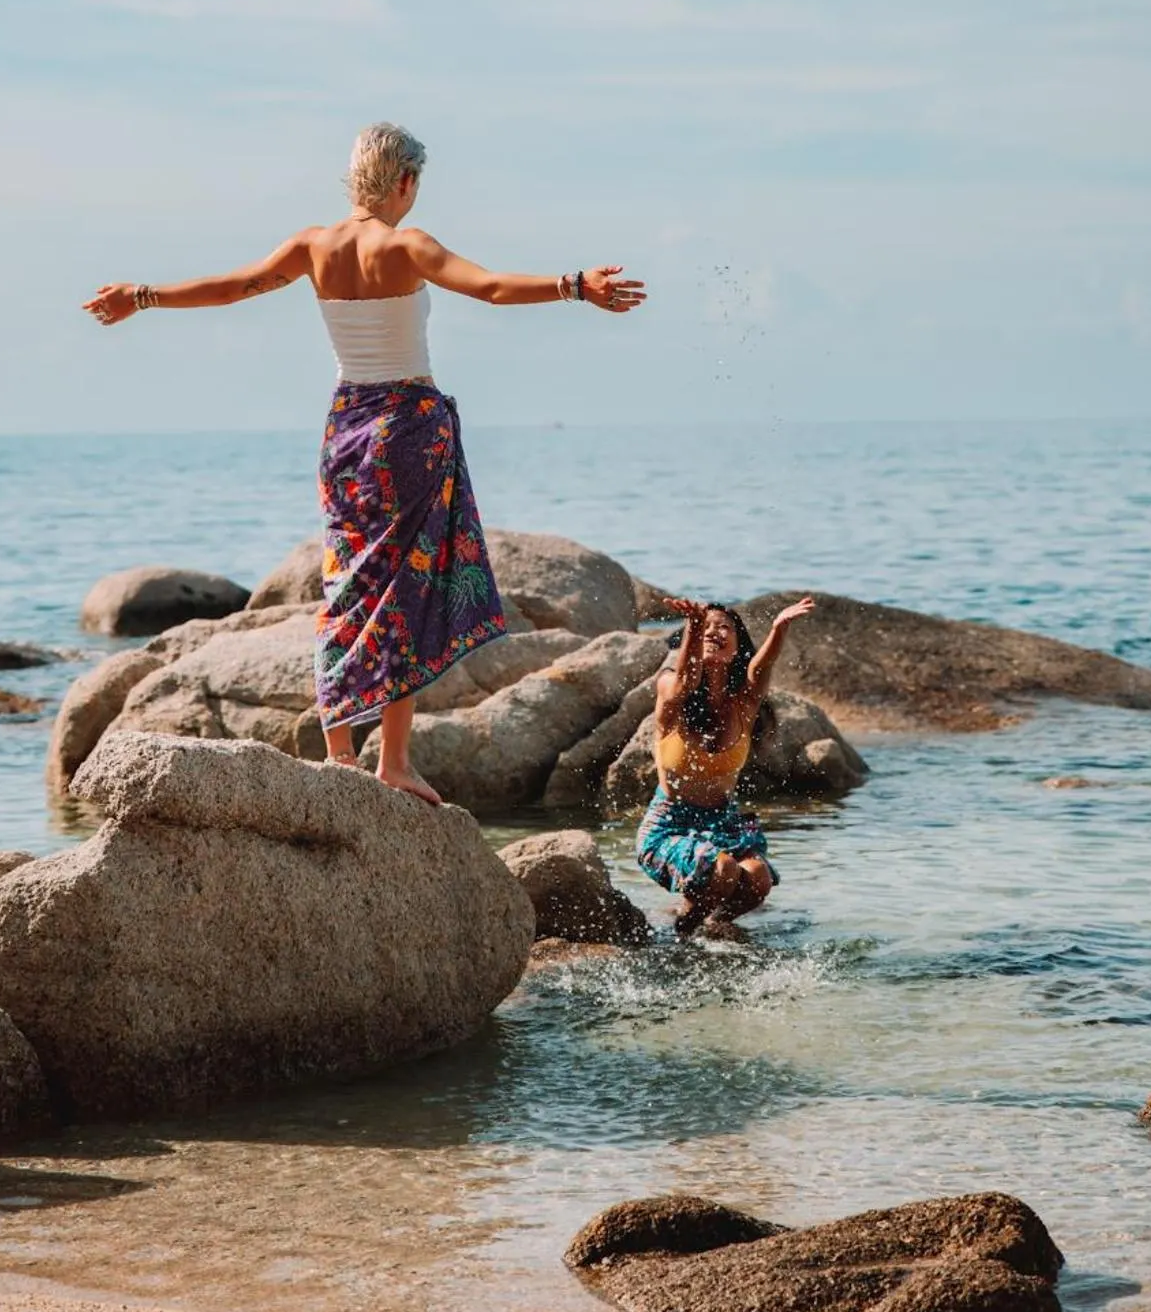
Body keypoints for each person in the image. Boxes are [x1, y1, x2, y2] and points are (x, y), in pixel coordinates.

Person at [83, 122, 646, 805]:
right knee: (402, 590)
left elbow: (231, 288)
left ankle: (339, 752)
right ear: (404, 180)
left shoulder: (313, 245)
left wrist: (141, 296)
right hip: (407, 429)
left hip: (347, 431)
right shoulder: (406, 245)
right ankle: (394, 762)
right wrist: (575, 285)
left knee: (347, 581)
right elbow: (492, 288)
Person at [637, 594, 816, 933]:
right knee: (723, 870)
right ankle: (684, 930)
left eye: (724, 627)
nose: (713, 631)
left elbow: (760, 669)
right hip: (670, 825)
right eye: (706, 626)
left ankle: (713, 925)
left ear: (737, 647)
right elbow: (686, 681)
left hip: (724, 820)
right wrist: (693, 625)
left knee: (759, 879)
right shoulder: (670, 688)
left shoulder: (743, 703)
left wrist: (778, 629)